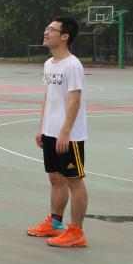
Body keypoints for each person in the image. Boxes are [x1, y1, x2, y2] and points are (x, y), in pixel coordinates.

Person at [28, 16, 89, 248]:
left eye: (51, 29)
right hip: (50, 131)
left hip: (69, 135)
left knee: (74, 180)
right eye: (47, 28)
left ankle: (76, 232)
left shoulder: (73, 65)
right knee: (55, 178)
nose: (46, 32)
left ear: (65, 36)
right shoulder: (49, 64)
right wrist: (42, 128)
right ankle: (55, 223)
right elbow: (48, 98)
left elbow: (75, 101)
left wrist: (65, 132)